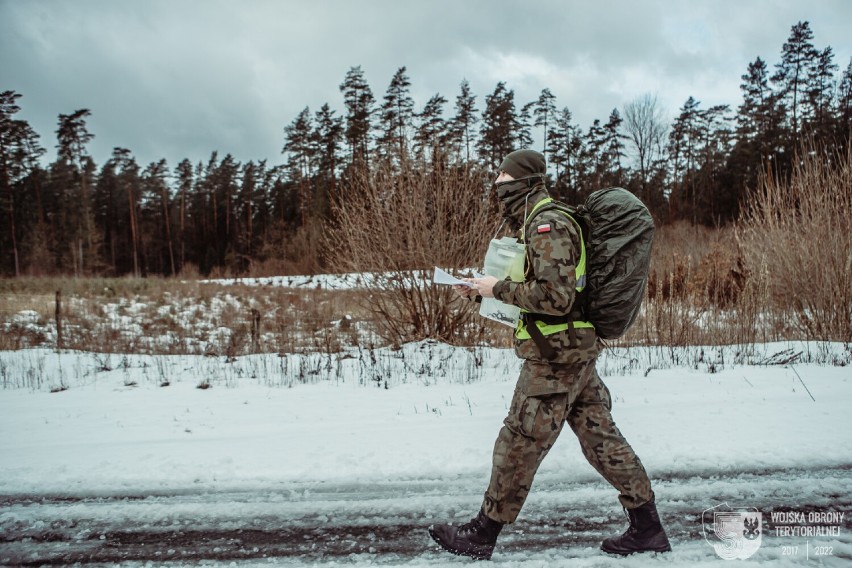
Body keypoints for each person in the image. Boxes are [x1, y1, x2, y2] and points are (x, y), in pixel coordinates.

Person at [428, 149, 671, 560]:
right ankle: (647, 527)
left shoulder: (546, 224)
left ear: (523, 181)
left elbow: (554, 298)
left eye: (503, 179)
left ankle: (482, 534)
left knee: (519, 440)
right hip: (570, 351)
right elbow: (544, 295)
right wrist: (479, 293)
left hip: (555, 358)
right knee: (601, 438)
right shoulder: (542, 221)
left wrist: (496, 288)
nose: (497, 186)